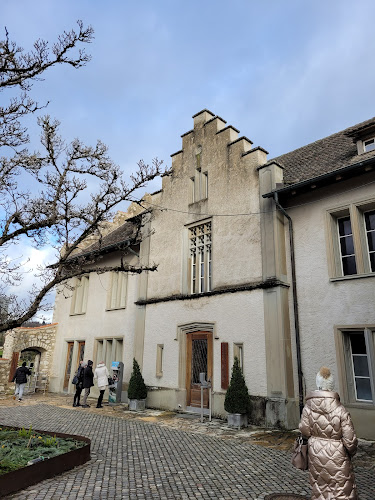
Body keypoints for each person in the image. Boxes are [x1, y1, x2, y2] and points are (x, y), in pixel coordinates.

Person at [299, 366, 358, 500]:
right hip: (338, 455)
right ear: (332, 385)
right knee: (342, 491)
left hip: (316, 452)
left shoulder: (308, 407)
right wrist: (349, 453)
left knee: (319, 489)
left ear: (318, 384)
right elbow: (351, 441)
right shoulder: (340, 409)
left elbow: (304, 430)